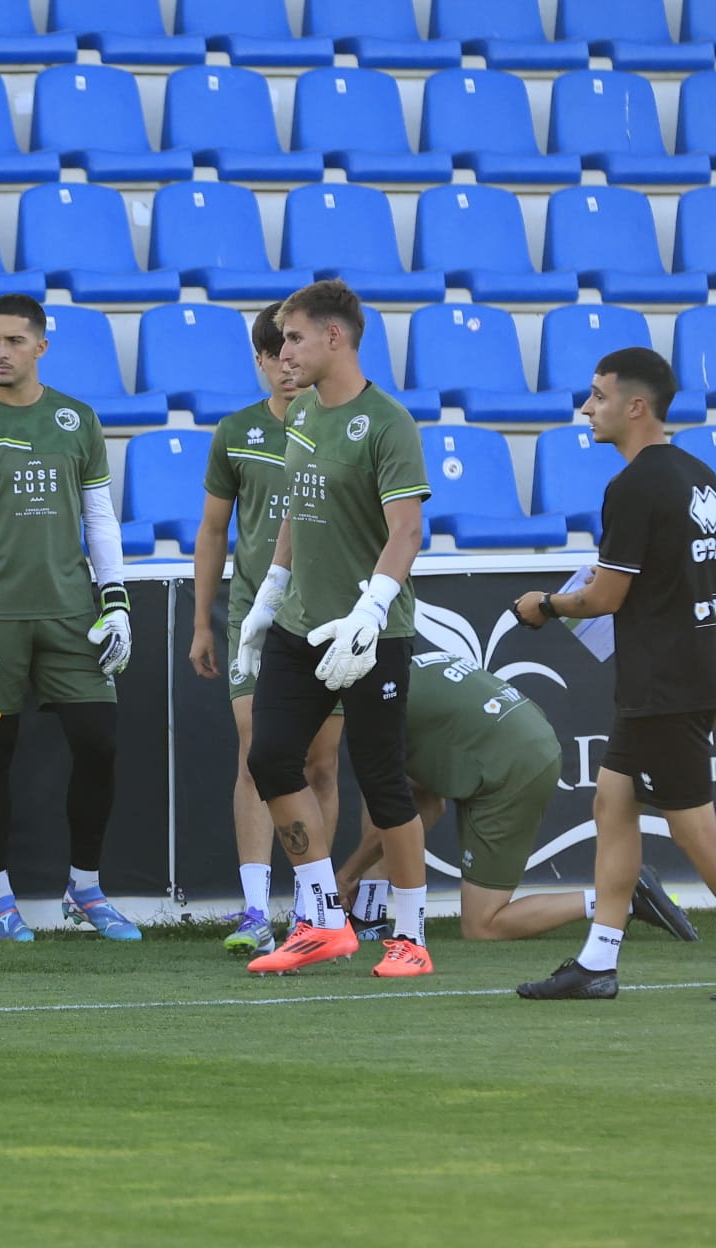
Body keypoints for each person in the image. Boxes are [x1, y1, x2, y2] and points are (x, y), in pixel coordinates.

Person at [0, 292, 140, 942]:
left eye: (14, 341)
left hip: (73, 613)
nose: (0, 352)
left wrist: (117, 599)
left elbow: (99, 517)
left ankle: (85, 886)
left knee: (98, 745)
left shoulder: (77, 420)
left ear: (41, 346)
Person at [235, 278, 436, 978]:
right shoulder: (304, 418)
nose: (281, 350)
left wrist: (373, 610)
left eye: (292, 337)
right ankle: (321, 918)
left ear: (334, 337)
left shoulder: (388, 423)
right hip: (301, 626)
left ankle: (410, 936)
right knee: (270, 758)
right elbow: (298, 505)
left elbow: (407, 529)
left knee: (384, 784)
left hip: (371, 630)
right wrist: (271, 593)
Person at [511, 346, 716, 1000]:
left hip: (665, 682)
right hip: (684, 669)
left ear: (635, 406)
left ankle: (599, 962)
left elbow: (603, 598)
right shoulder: (700, 474)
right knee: (612, 800)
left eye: (597, 395)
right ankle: (598, 961)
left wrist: (545, 605)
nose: (585, 406)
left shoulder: (634, 486)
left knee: (690, 823)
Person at [336, 650, 698, 944]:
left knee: (482, 925)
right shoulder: (402, 671)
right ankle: (368, 915)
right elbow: (427, 805)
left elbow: (397, 815)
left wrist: (345, 875)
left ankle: (620, 899)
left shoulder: (374, 708)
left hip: (511, 765)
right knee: (384, 791)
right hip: (520, 741)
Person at [191, 302, 344, 957]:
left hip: (328, 619)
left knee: (321, 763)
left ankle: (314, 907)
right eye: (272, 356)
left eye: (293, 352)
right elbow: (214, 529)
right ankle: (256, 908)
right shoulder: (236, 433)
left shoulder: (341, 429)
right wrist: (202, 618)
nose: (286, 367)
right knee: (257, 756)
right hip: (258, 620)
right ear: (258, 362)